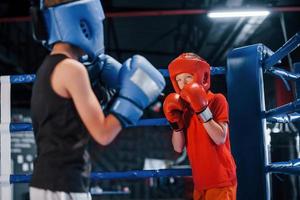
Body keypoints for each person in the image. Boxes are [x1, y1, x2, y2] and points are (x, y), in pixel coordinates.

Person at [29, 0, 165, 199]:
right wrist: (132, 100)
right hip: (63, 185)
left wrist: (105, 98)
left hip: (51, 181)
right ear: (84, 21)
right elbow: (103, 133)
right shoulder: (72, 69)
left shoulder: (49, 68)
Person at [163, 53, 237, 200]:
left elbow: (220, 138)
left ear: (201, 77)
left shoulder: (217, 99)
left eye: (188, 77)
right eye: (178, 80)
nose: (183, 84)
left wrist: (202, 110)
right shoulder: (182, 109)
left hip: (221, 179)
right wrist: (175, 123)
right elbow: (178, 147)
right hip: (199, 182)